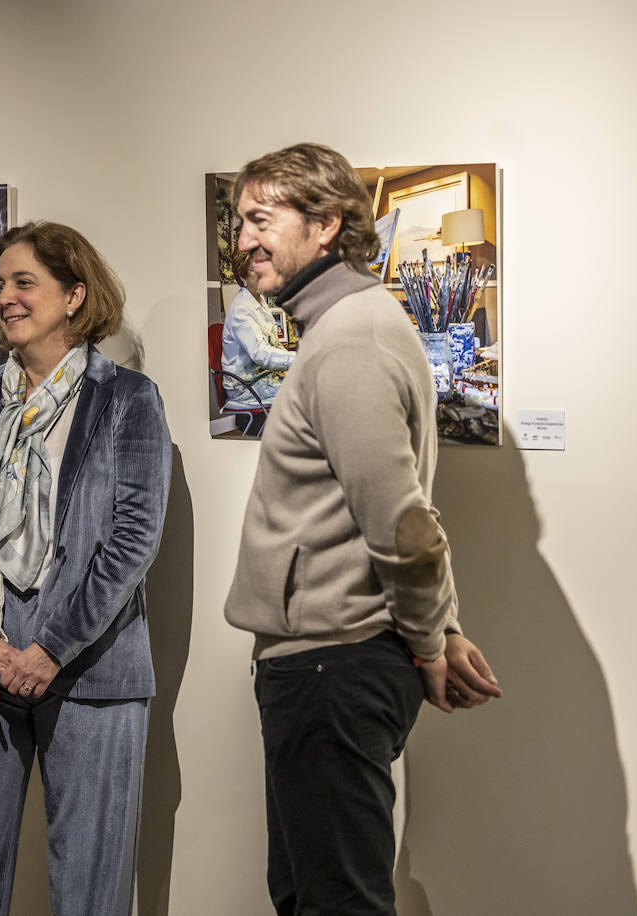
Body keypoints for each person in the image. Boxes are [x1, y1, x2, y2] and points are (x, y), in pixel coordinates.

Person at [223, 143, 502, 916]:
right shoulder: (349, 328)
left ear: (325, 225)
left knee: (335, 903)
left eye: (260, 218)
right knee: (313, 894)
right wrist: (437, 630)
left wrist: (428, 640)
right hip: (324, 665)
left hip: (332, 669)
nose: (243, 239)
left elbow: (404, 525)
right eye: (238, 221)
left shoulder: (350, 339)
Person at [0, 221, 171, 916]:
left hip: (93, 673)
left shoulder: (128, 400)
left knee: (90, 887)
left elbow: (133, 539)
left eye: (24, 282)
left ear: (74, 295)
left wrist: (51, 648)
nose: (5, 298)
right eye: (0, 284)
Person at [219, 284, 293, 407]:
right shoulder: (241, 309)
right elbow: (261, 355)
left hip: (262, 377)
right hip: (246, 386)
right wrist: (299, 359)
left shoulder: (259, 300)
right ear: (243, 277)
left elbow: (273, 343)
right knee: (306, 388)